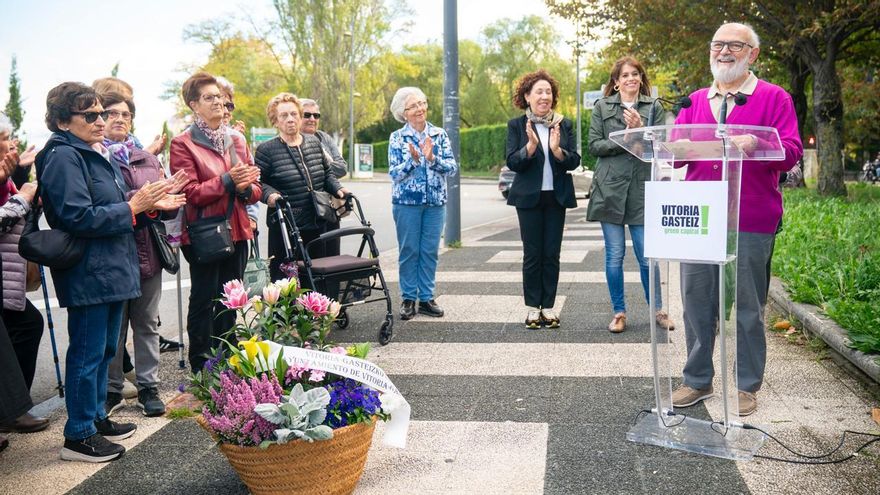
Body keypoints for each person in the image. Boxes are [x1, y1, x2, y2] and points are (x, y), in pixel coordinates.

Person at [36, 82, 184, 462]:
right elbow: (76, 216)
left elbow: (118, 207)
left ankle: (97, 417)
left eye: (102, 113)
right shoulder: (63, 156)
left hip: (113, 267)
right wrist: (133, 205)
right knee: (87, 353)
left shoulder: (89, 151)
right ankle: (79, 435)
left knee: (104, 349)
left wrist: (150, 205)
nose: (101, 121)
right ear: (62, 121)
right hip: (90, 271)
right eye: (91, 115)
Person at [671, 23, 803, 416]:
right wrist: (671, 145)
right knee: (696, 301)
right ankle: (697, 379)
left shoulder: (774, 97)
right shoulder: (694, 100)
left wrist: (757, 143)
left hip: (751, 215)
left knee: (748, 304)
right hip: (698, 215)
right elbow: (673, 150)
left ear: (753, 54)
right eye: (717, 45)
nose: (723, 51)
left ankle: (746, 385)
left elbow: (792, 150)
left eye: (734, 45)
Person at [101, 92, 187, 418]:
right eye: (111, 114)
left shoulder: (147, 159)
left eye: (125, 114)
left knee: (147, 323)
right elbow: (109, 202)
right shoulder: (97, 159)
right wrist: (145, 199)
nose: (119, 119)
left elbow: (163, 206)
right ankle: (113, 389)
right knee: (115, 326)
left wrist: (166, 204)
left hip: (147, 250)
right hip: (113, 253)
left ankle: (149, 386)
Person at [170, 72, 261, 372]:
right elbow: (191, 193)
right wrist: (227, 180)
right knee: (204, 299)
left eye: (220, 98)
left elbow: (253, 190)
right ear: (194, 105)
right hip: (205, 233)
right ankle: (201, 364)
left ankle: (228, 359)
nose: (218, 104)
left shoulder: (236, 139)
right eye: (209, 98)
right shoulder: (182, 144)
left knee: (231, 300)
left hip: (237, 230)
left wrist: (246, 186)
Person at [586, 57, 675, 334]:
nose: (630, 79)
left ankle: (658, 310)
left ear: (640, 78)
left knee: (648, 255)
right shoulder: (602, 106)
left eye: (635, 74)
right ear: (616, 81)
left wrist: (641, 130)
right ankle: (619, 312)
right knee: (614, 255)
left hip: (640, 188)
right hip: (609, 188)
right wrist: (625, 138)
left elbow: (659, 147)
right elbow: (594, 145)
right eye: (624, 75)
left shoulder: (653, 107)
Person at [505, 70, 581, 329]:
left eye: (548, 92)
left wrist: (557, 150)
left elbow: (574, 160)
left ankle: (548, 308)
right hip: (528, 198)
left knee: (552, 254)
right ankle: (531, 308)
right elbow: (512, 162)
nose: (544, 96)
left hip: (556, 197)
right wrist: (530, 147)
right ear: (527, 96)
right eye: (539, 91)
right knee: (532, 254)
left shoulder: (563, 124)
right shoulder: (517, 126)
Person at [256, 93, 349, 282]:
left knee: (315, 275)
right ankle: (287, 312)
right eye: (284, 116)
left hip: (316, 220)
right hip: (285, 223)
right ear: (275, 121)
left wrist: (338, 189)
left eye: (294, 114)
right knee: (285, 279)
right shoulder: (266, 150)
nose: (290, 119)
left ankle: (319, 311)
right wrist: (270, 195)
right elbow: (258, 183)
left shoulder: (314, 143)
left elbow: (327, 174)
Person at [0, 116, 49, 448]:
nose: (11, 144)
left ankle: (14, 406)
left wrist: (19, 179)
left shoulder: (5, 173)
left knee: (27, 325)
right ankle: (13, 409)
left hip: (7, 272)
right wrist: (25, 198)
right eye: (5, 138)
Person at [388, 87, 457, 320]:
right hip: (406, 203)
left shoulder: (439, 134)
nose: (419, 109)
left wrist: (431, 158)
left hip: (435, 202)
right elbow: (394, 173)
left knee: (429, 251)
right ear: (403, 112)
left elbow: (452, 167)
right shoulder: (397, 138)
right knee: (409, 250)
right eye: (413, 106)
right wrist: (413, 161)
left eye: (422, 103)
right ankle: (408, 298)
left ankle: (426, 298)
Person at [300, 98, 348, 256]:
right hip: (304, 211)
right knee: (309, 257)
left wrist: (318, 164)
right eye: (307, 115)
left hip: (329, 207)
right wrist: (324, 166)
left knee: (332, 255)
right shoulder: (292, 141)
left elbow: (342, 168)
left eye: (316, 115)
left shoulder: (324, 138)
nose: (312, 119)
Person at [216, 77, 259, 235]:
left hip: (238, 224)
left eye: (230, 105)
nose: (226, 110)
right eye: (221, 103)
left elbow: (253, 180)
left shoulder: (239, 139)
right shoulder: (187, 141)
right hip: (207, 230)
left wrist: (252, 217)